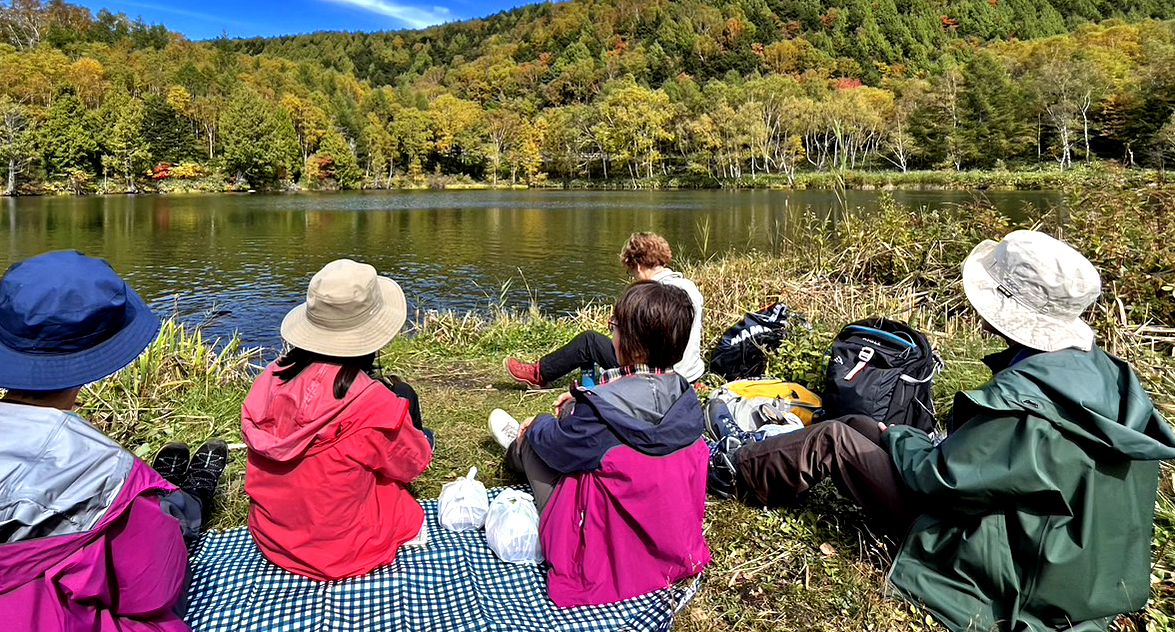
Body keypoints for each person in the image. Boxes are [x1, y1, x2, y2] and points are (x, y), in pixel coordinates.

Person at [719, 230, 1175, 632]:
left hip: (1015, 567)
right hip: (1075, 562)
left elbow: (940, 481)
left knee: (834, 439)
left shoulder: (1025, 402)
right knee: (857, 423)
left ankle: (727, 471)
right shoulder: (1107, 376)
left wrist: (899, 437)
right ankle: (759, 459)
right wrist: (892, 433)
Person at [0, 249, 227, 632]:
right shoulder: (110, 475)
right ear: (98, 353)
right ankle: (184, 504)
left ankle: (177, 501)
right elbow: (152, 591)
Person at [488, 279, 710, 607]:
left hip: (603, 552)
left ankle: (514, 447)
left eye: (615, 327)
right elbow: (637, 395)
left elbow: (560, 449)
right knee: (573, 429)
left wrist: (540, 425)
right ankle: (529, 438)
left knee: (535, 442)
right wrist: (580, 404)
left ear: (628, 343)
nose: (612, 333)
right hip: (669, 536)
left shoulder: (598, 412)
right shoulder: (686, 396)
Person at [242, 258, 433, 581]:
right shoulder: (374, 404)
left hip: (274, 537)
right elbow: (412, 464)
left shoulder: (269, 378)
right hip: (343, 551)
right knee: (419, 438)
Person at [504, 232, 705, 387]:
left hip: (662, 376)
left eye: (630, 272)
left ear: (638, 265)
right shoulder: (689, 288)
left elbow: (640, 350)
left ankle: (539, 374)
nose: (632, 277)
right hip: (692, 372)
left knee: (589, 341)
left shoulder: (650, 297)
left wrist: (618, 326)